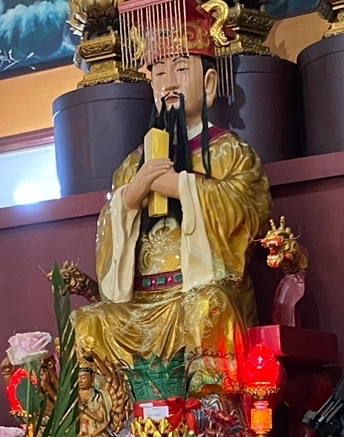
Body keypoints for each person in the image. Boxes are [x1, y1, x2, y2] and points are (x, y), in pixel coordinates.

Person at [71, 0, 270, 395]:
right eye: (159, 73)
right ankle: (107, 431)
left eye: (181, 69)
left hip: (193, 293)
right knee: (89, 322)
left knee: (207, 307)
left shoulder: (230, 152)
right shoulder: (134, 164)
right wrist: (130, 197)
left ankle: (209, 424)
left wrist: (182, 188)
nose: (169, 83)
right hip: (142, 299)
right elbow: (108, 231)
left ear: (209, 85)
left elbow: (250, 214)